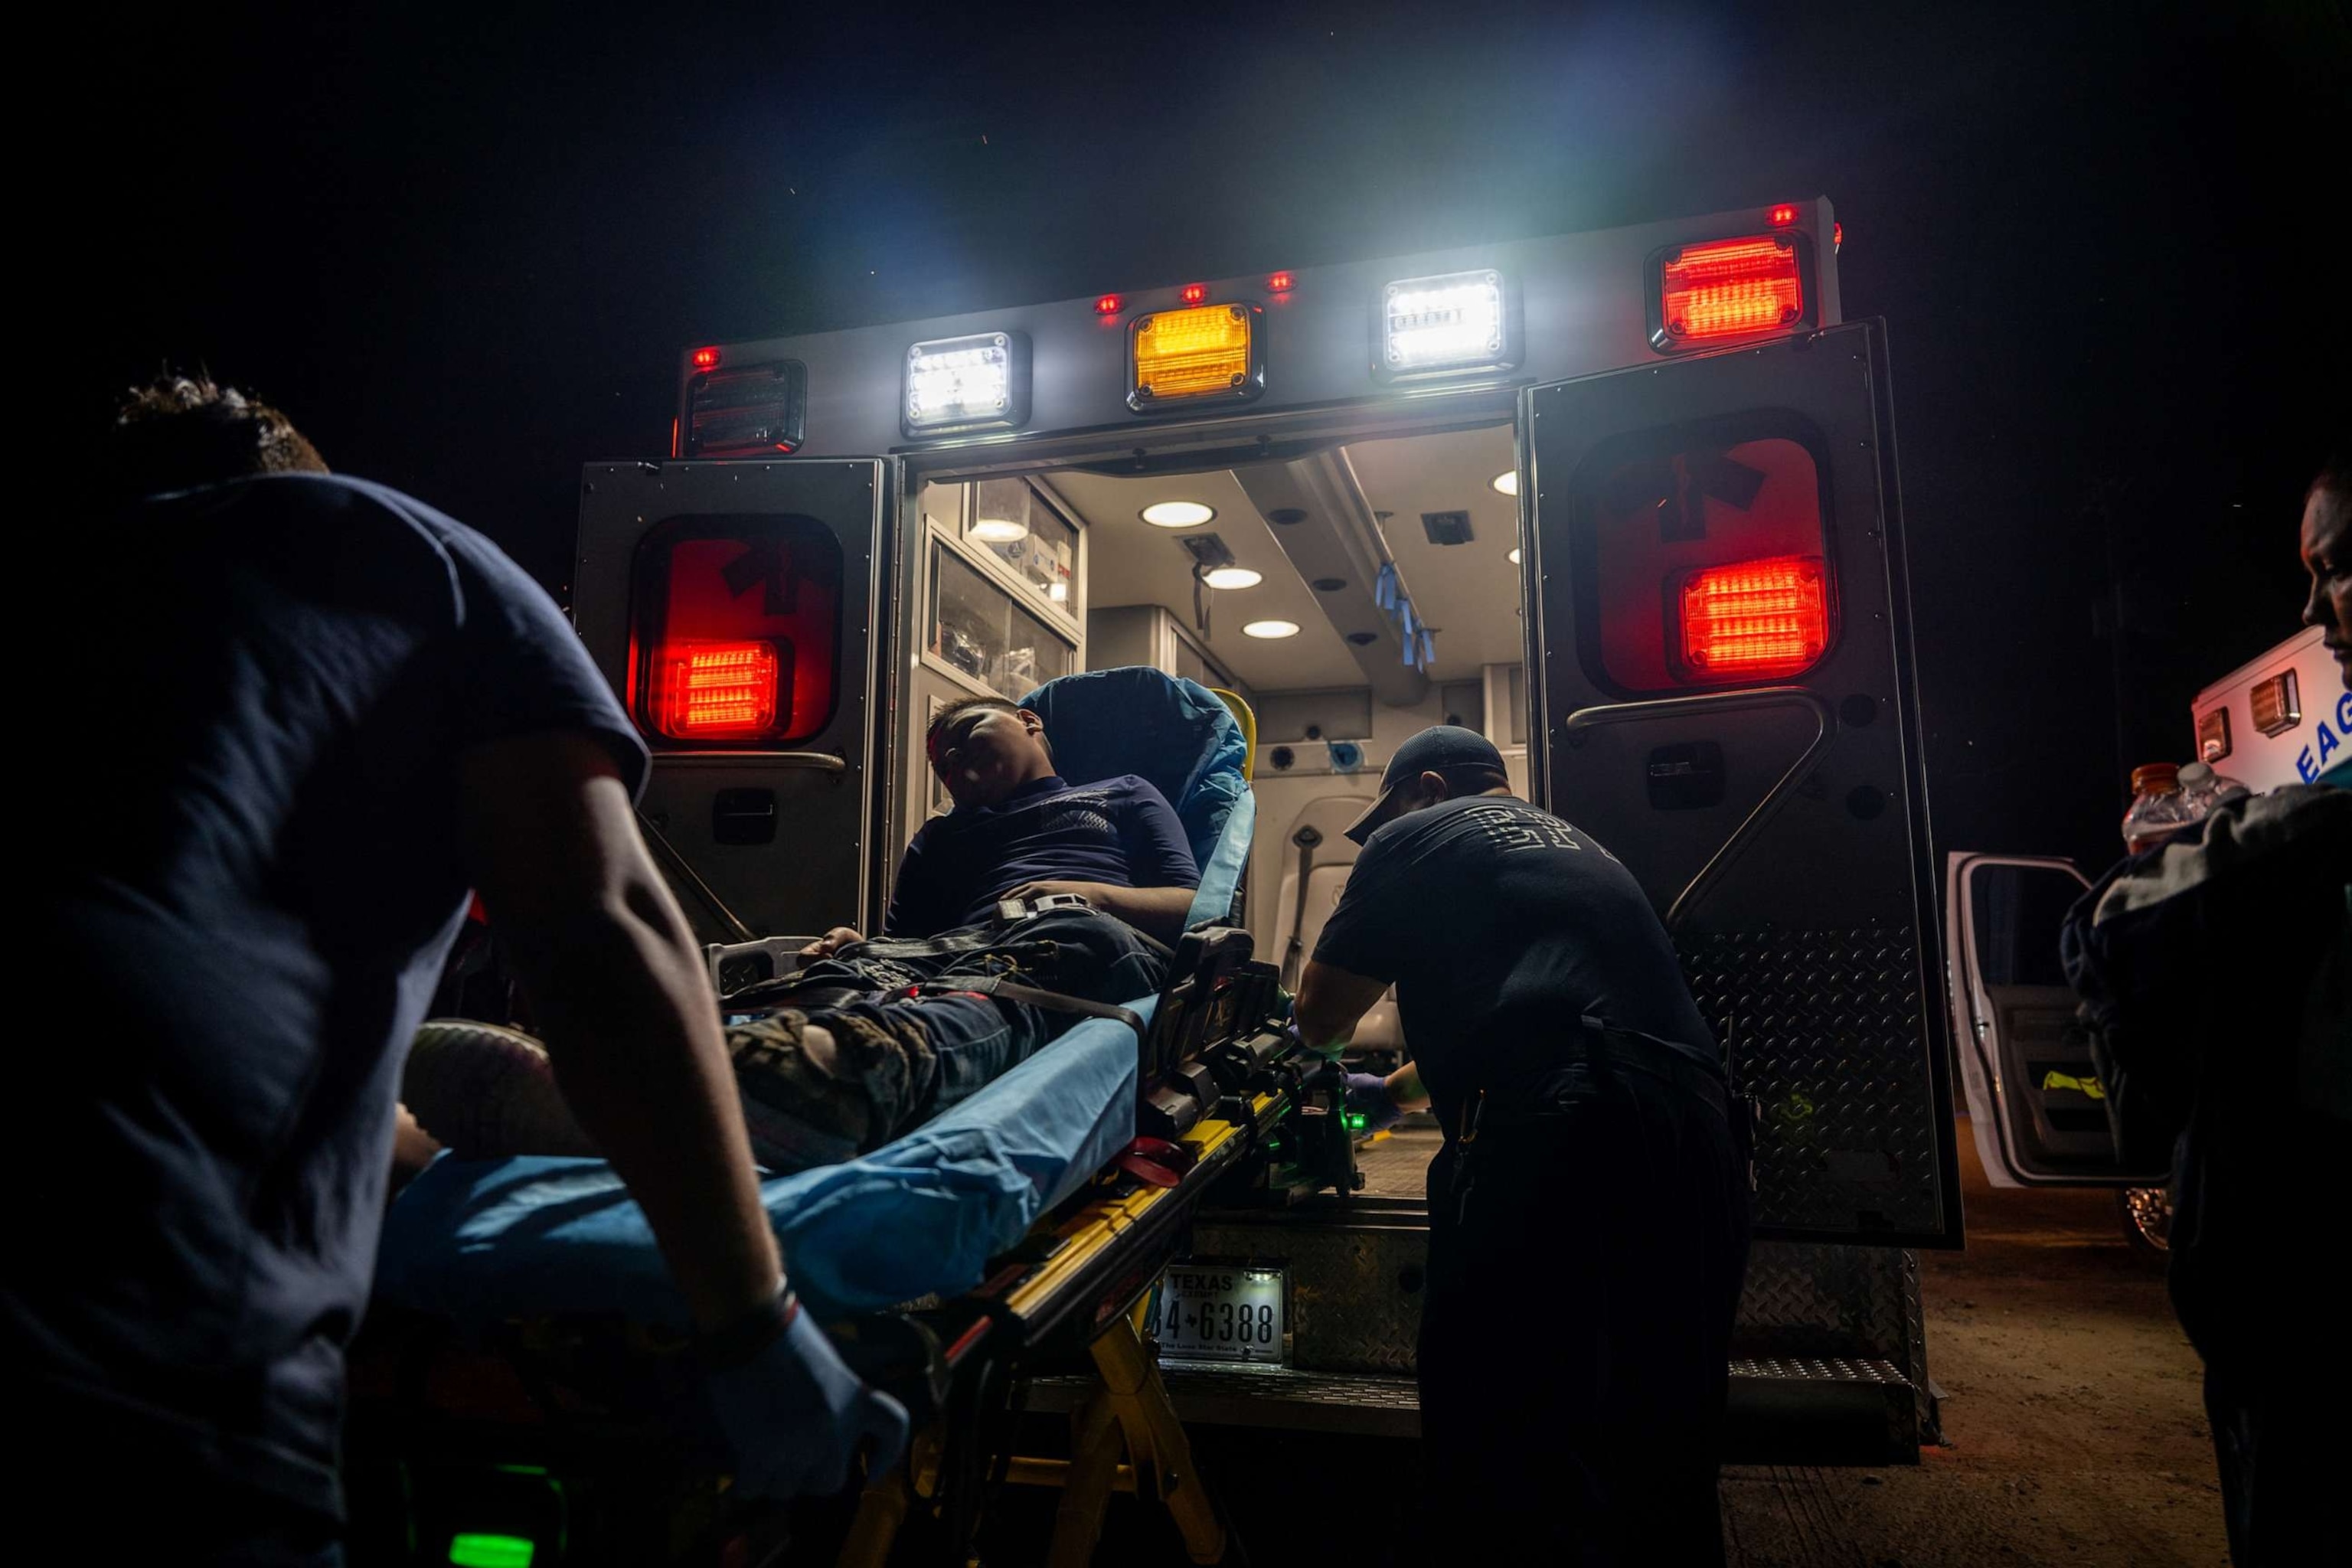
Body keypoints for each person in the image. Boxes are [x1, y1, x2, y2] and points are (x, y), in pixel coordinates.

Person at [12, 376, 904, 1564]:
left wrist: (418, 1143)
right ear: (296, 483)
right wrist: (755, 1320)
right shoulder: (391, 548)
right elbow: (605, 938)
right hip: (143, 1362)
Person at [1292, 725, 1751, 1565]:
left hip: (1559, 1134)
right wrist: (1394, 1096)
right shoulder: (1581, 845)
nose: (1379, 829)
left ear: (1426, 785)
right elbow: (1546, 996)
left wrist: (1308, 1071)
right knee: (1662, 1420)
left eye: (1384, 812)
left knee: (1503, 1418)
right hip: (1693, 1125)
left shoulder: (1412, 834)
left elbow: (1320, 1018)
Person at [407, 692, 1202, 1172]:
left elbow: (1190, 911)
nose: (954, 764)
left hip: (1084, 942)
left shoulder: (1119, 794)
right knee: (846, 976)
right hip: (960, 951)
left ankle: (838, 1078)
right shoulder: (942, 839)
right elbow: (910, 943)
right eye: (942, 762)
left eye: (967, 737)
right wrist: (851, 947)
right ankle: (643, 1065)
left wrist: (1085, 890)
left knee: (1034, 964)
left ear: (1029, 720)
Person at [2064, 450, 2350, 1565]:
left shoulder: (2311, 826)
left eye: (2337, 567)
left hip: (2305, 1315)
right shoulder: (2307, 820)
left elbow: (2109, 946)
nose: (2314, 608)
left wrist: (2180, 867)